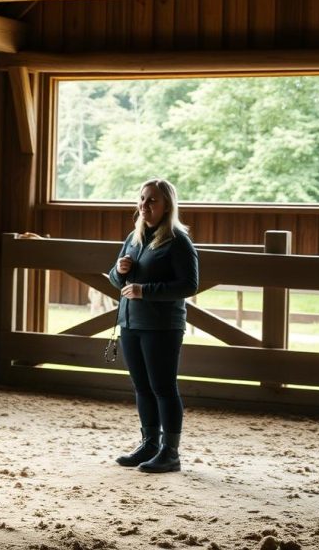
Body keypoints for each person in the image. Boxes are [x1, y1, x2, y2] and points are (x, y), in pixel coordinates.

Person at [108, 178, 199, 473]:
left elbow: (189, 284)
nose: (144, 206)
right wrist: (119, 271)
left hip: (162, 326)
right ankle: (148, 443)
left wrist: (145, 291)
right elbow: (116, 279)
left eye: (152, 201)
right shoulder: (134, 238)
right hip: (131, 323)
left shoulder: (178, 241)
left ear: (167, 206)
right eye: (142, 199)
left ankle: (170, 452)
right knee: (142, 387)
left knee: (163, 387)